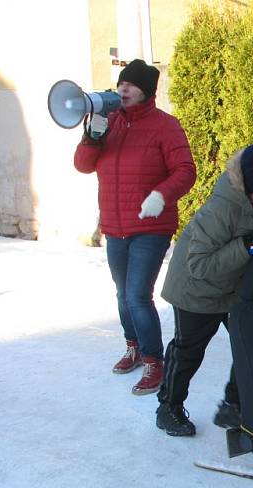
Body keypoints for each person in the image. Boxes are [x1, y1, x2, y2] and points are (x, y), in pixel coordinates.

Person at [155, 144, 253, 436]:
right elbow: (199, 264)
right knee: (188, 351)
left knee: (251, 345)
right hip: (197, 289)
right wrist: (246, 246)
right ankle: (168, 406)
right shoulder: (221, 209)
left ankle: (234, 404)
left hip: (237, 286)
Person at [74, 59, 196, 395]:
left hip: (151, 227)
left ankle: (154, 360)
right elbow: (83, 166)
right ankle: (134, 347)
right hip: (115, 226)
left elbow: (185, 170)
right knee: (122, 293)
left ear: (147, 90)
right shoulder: (108, 122)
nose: (122, 89)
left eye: (130, 85)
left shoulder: (165, 126)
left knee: (137, 295)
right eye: (120, 84)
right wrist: (91, 138)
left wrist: (161, 195)